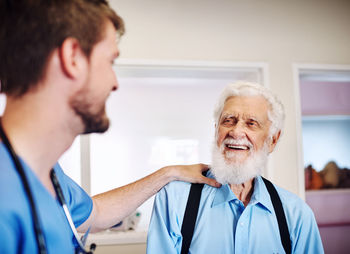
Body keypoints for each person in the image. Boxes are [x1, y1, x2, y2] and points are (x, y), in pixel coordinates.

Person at [0, 1, 220, 253]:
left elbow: (97, 213)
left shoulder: (49, 175)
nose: (115, 83)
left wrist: (168, 173)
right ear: (72, 57)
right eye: (110, 62)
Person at [147, 81, 324, 254]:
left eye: (251, 123)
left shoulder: (296, 215)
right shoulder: (175, 200)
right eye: (229, 121)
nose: (236, 132)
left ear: (272, 140)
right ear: (216, 130)